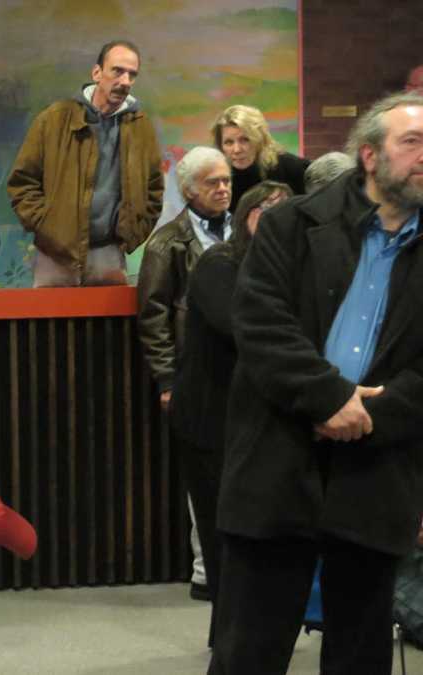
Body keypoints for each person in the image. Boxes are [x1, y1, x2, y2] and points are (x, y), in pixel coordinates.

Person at [210, 92, 423, 675]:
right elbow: (259, 323)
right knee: (249, 651)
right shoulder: (291, 224)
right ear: (371, 156)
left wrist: (375, 413)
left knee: (360, 652)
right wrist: (330, 398)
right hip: (280, 458)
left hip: (377, 469)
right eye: (413, 143)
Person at [170, 179, 291, 646]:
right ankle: (229, 640)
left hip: (256, 424)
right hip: (209, 424)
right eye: (275, 213)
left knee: (254, 536)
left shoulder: (281, 266)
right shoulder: (220, 264)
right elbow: (244, 328)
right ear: (251, 217)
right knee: (224, 537)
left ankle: (247, 635)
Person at [136, 146, 232, 611]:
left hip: (241, 375)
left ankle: (232, 567)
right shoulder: (166, 243)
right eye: (212, 182)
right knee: (204, 476)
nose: (222, 189)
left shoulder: (243, 230)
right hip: (193, 375)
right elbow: (153, 317)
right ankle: (204, 570)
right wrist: (167, 379)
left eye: (227, 181)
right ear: (189, 190)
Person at [7, 39, 163, 287]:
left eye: (132, 75)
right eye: (117, 71)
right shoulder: (54, 119)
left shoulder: (140, 128)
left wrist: (133, 234)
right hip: (55, 255)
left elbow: (154, 189)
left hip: (109, 253)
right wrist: (48, 229)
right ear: (97, 73)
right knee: (51, 324)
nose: (125, 81)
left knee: (108, 326)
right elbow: (22, 182)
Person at [210, 104, 310, 212]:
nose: (237, 150)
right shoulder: (219, 179)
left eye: (245, 140)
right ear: (221, 146)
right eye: (229, 142)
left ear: (260, 139)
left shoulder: (292, 168)